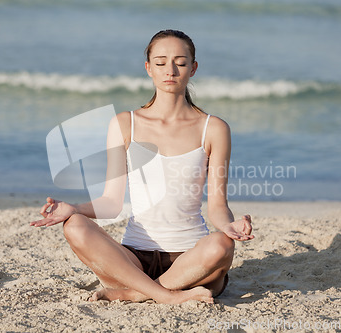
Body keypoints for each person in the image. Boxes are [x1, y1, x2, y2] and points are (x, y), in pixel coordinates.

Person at [30, 29, 253, 304]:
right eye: (160, 63)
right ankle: (168, 296)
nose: (170, 70)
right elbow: (111, 203)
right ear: (149, 68)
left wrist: (230, 226)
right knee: (74, 226)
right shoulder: (125, 124)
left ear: (193, 68)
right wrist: (73, 209)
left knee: (222, 244)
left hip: (191, 260)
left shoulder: (214, 129)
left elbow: (217, 206)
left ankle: (134, 294)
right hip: (133, 260)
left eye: (180, 63)